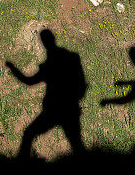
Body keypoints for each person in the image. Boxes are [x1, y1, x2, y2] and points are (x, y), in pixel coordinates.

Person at [6, 28, 87, 157]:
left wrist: (12, 68)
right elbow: (82, 84)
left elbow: (29, 81)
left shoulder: (47, 66)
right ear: (54, 39)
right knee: (77, 144)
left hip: (53, 110)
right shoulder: (73, 58)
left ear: (43, 44)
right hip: (71, 108)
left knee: (29, 134)